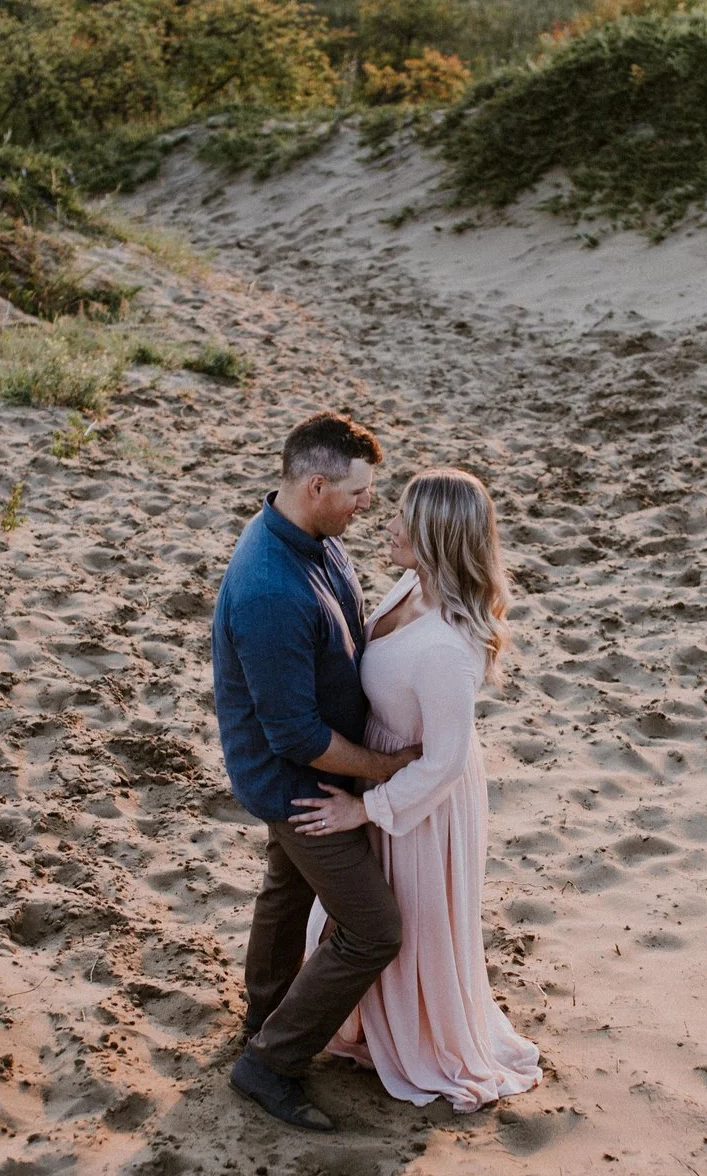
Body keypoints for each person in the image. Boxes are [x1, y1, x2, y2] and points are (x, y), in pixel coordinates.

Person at [289, 469, 542, 1114]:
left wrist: (365, 807)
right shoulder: (410, 585)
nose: (390, 525)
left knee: (412, 920)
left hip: (421, 803)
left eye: (404, 517)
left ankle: (416, 1034)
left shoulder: (445, 649)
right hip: (385, 769)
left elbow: (448, 761)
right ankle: (366, 1022)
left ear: (436, 535)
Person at [212, 412, 418, 1131]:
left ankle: (264, 1018)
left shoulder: (312, 537)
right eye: (360, 493)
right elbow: (297, 736)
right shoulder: (272, 587)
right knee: (373, 928)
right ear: (318, 484)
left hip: (302, 775)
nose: (369, 505)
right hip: (298, 787)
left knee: (286, 888)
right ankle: (270, 1063)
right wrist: (387, 767)